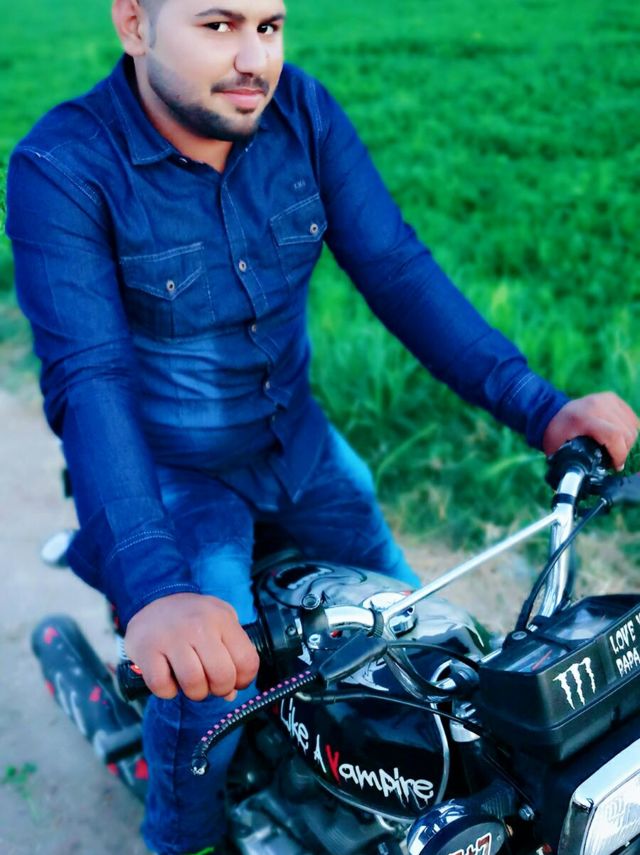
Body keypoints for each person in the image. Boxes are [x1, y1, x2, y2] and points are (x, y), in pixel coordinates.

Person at [6, 0, 638, 852]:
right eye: (219, 25)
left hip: (303, 452)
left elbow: (398, 270)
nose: (254, 59)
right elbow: (91, 382)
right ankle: (180, 835)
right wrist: (156, 590)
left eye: (268, 26)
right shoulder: (62, 166)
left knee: (434, 658)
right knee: (212, 694)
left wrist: (543, 407)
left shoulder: (303, 112)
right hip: (174, 480)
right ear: (134, 24)